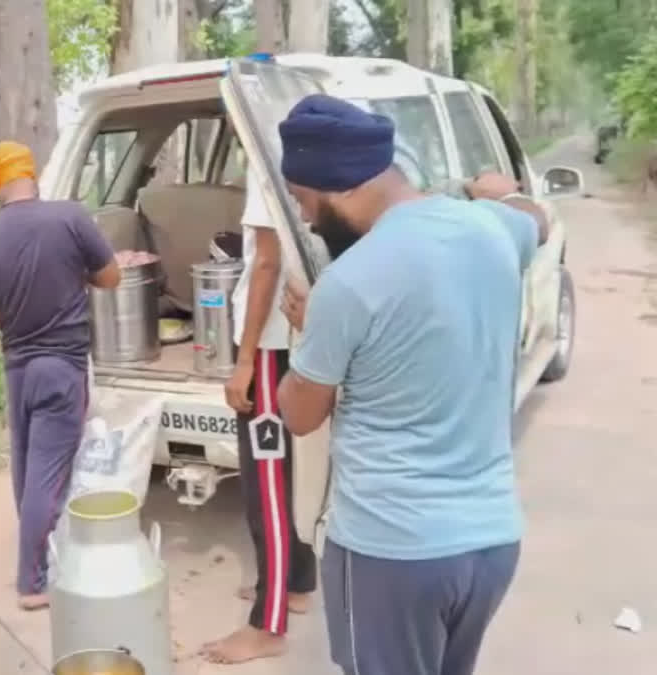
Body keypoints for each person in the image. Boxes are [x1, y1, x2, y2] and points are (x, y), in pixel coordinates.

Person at [274, 94, 546, 675]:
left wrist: (310, 335)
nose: (303, 218)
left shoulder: (347, 285)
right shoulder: (497, 230)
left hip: (391, 549)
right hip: (491, 543)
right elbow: (539, 220)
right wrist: (500, 190)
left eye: (303, 201)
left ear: (337, 187)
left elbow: (299, 414)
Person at [0, 141, 121, 610]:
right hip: (62, 368)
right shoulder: (70, 217)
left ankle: (40, 556)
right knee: (48, 476)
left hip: (18, 369)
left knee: (27, 467)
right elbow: (111, 277)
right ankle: (33, 583)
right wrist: (74, 276)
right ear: (30, 172)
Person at [204, 162, 316, 664]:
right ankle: (295, 583)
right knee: (295, 475)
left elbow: (266, 262)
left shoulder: (266, 161)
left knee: (266, 483)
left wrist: (246, 359)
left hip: (270, 348)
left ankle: (268, 625)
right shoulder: (292, 147)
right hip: (295, 338)